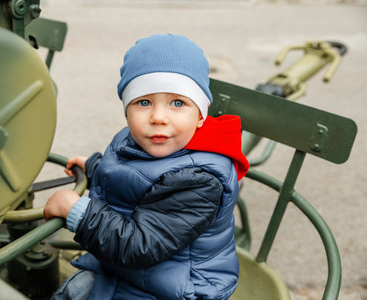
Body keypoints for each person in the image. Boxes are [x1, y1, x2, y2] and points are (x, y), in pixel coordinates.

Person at [44, 33, 249, 300]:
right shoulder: (144, 141)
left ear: (200, 116)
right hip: (135, 271)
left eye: (178, 103)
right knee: (71, 291)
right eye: (143, 102)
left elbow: (140, 247)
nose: (158, 117)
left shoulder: (200, 179)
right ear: (127, 110)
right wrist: (95, 168)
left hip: (176, 288)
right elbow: (134, 179)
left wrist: (77, 211)